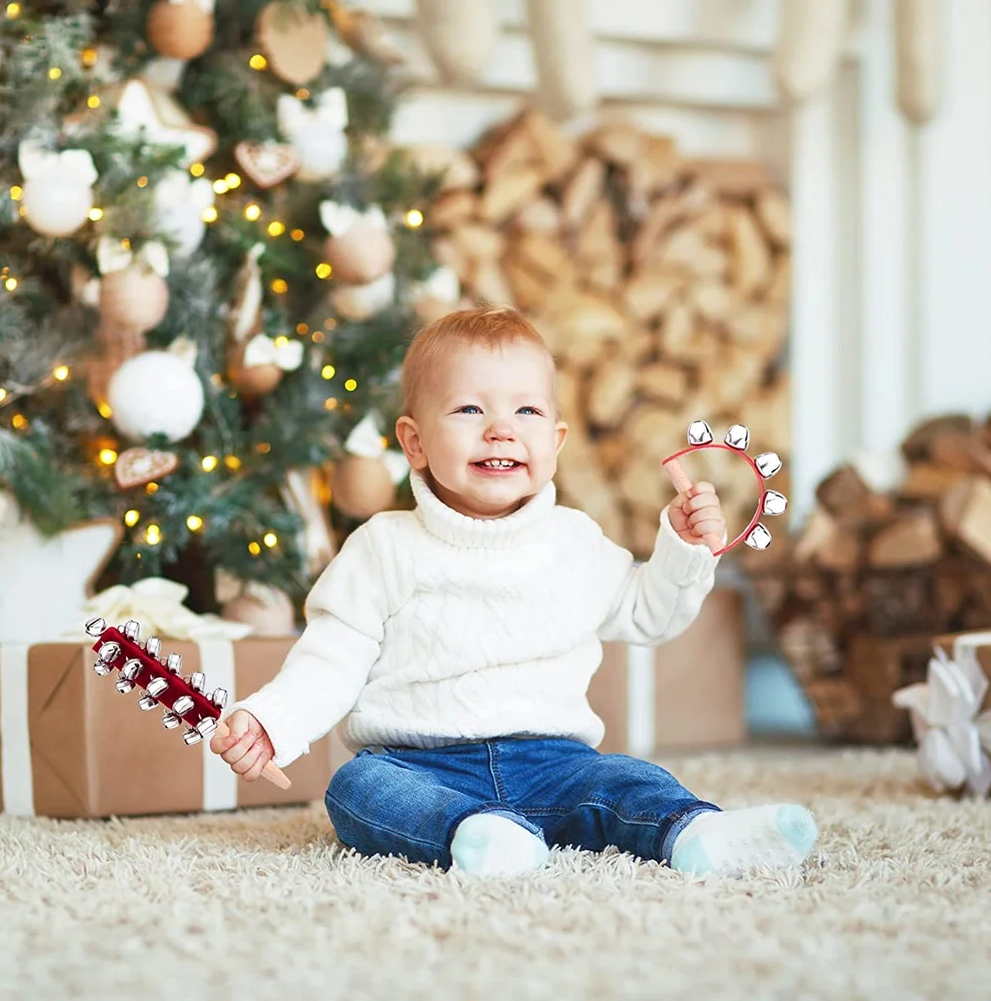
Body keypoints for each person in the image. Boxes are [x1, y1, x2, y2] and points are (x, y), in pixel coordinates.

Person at [211, 306, 818, 878]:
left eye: (526, 412)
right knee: (356, 792)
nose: (502, 430)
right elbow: (331, 659)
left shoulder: (574, 540)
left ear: (554, 443)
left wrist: (682, 551)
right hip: (418, 765)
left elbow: (647, 614)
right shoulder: (382, 547)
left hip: (555, 765)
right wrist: (273, 720)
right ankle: (477, 833)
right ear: (415, 442)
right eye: (470, 410)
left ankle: (695, 833)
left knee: (629, 780)